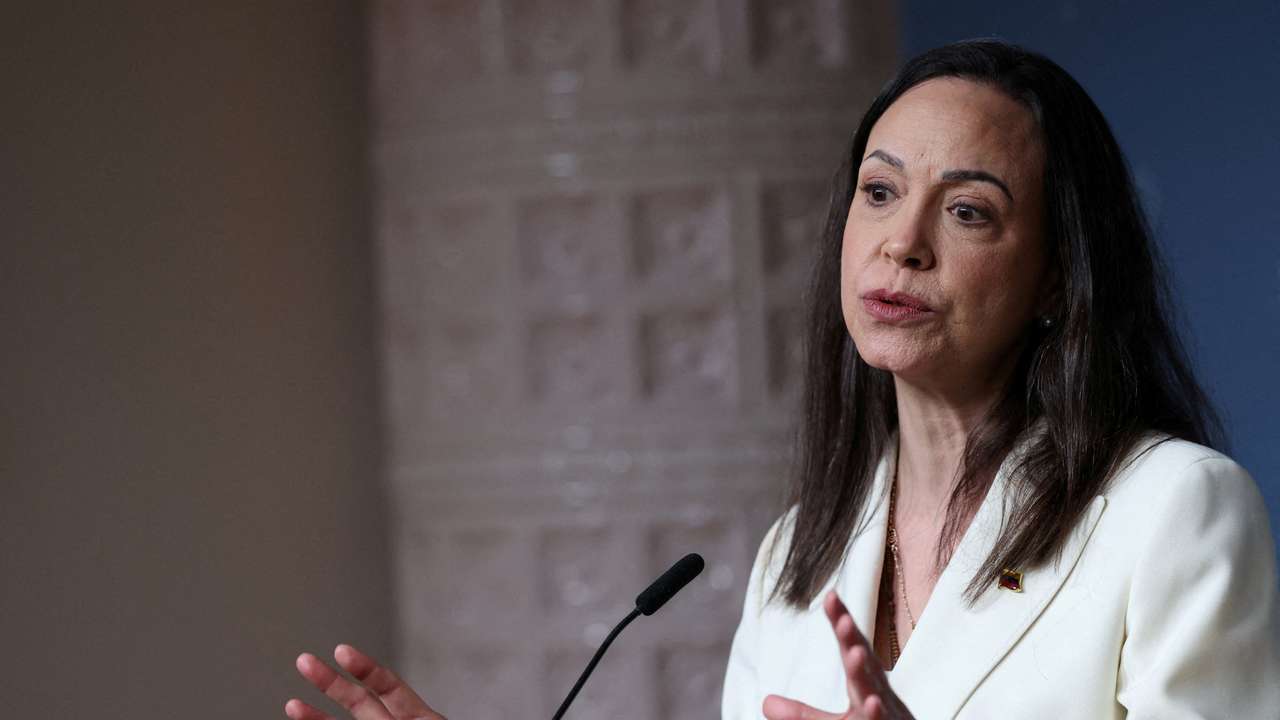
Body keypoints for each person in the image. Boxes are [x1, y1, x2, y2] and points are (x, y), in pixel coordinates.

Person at [281, 40, 1280, 720]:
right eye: (878, 193)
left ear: (1058, 272)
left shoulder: (1171, 510)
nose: (901, 244)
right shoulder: (794, 557)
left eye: (966, 211)